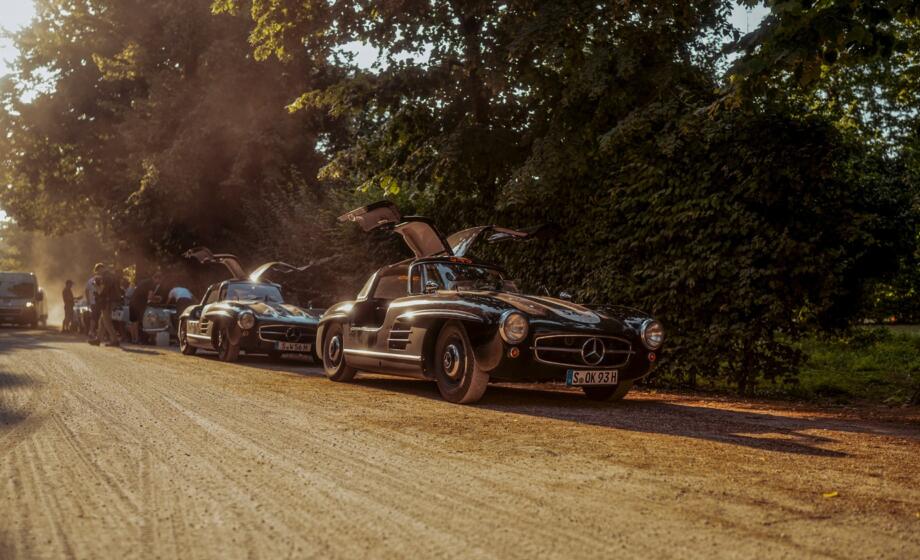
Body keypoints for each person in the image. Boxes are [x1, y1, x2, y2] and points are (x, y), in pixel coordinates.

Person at [88, 263, 119, 347]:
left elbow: (102, 291)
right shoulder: (110, 275)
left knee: (106, 321)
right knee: (102, 321)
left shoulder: (105, 277)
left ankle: (115, 340)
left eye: (97, 271)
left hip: (107, 302)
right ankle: (98, 339)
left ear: (100, 269)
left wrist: (96, 286)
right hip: (110, 301)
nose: (98, 273)